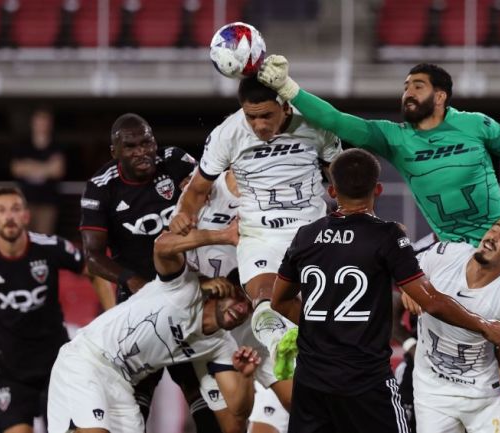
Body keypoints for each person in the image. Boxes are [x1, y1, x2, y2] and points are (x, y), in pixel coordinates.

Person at [258, 57, 500, 433]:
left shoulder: (476, 125)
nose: (408, 92)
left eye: (417, 85)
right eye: (405, 86)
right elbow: (338, 121)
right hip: (453, 255)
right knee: (494, 357)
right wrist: (289, 89)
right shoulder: (394, 137)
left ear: (440, 95)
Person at [271, 149, 500, 433]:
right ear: (378, 189)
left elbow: (279, 301)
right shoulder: (387, 235)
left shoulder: (306, 235)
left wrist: (323, 328)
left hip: (312, 382)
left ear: (333, 190)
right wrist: (482, 325)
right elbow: (430, 301)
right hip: (365, 383)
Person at [170, 77, 342, 361]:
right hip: (260, 234)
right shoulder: (228, 133)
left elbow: (342, 178)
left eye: (266, 116)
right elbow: (197, 189)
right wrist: (182, 215)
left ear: (285, 106)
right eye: (251, 117)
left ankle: (327, 348)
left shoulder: (314, 123)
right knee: (264, 295)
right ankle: (279, 345)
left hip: (313, 232)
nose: (259, 125)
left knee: (324, 308)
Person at [47, 219, 259, 433]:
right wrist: (224, 235)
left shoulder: (221, 345)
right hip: (88, 359)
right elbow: (162, 245)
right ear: (225, 286)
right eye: (240, 297)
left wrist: (247, 376)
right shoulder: (184, 288)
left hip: (121, 383)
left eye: (250, 308)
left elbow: (238, 413)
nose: (242, 309)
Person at [79, 113, 220, 431]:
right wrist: (133, 281)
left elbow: (214, 192)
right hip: (139, 303)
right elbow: (92, 257)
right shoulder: (101, 188)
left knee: (199, 383)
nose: (143, 151)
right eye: (131, 146)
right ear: (115, 151)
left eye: (147, 142)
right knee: (136, 388)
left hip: (189, 290)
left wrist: (200, 189)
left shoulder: (175, 160)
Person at [0, 186, 106, 433]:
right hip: (11, 373)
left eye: (15, 209)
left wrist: (110, 318)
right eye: (1, 210)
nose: (9, 216)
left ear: (26, 216)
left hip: (57, 364)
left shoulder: (50, 247)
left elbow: (95, 271)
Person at [401, 214, 500, 433]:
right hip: (432, 393)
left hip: (483, 399)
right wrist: (409, 288)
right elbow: (405, 273)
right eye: (495, 228)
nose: (493, 236)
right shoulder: (445, 254)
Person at [189, 170, 292, 433]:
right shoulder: (198, 192)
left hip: (257, 328)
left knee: (301, 403)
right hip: (207, 338)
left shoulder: (283, 202)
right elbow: (164, 251)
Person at [10, 108, 65, 234]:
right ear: (33, 123)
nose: (42, 125)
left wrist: (29, 166)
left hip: (48, 203)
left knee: (44, 240)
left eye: (45, 122)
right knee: (24, 239)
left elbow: (58, 170)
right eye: (39, 121)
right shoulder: (23, 145)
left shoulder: (56, 146)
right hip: (25, 202)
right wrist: (46, 167)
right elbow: (16, 169)